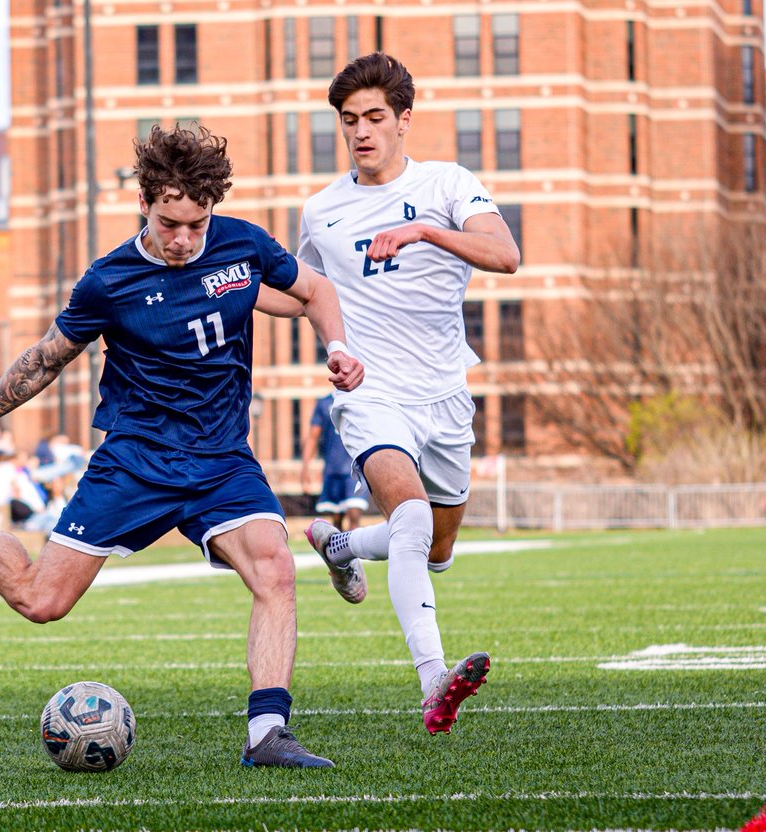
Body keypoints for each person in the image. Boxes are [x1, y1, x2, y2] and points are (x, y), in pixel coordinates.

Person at [0, 125, 363, 768]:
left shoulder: (243, 245)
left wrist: (338, 347)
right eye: (169, 221)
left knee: (275, 568)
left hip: (221, 458)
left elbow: (315, 292)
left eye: (196, 224)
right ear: (145, 204)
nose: (183, 238)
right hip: (136, 460)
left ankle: (266, 734)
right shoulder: (109, 282)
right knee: (42, 602)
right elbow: (43, 361)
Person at [296, 53, 520, 736]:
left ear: (403, 121)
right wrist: (329, 345)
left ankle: (341, 547)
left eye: (373, 118)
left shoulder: (448, 183)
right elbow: (298, 290)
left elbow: (506, 255)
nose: (360, 131)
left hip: (445, 393)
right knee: (414, 520)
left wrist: (424, 230)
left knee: (438, 551)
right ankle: (433, 684)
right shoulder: (321, 210)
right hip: (372, 394)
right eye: (348, 121)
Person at [299, 393, 369, 536]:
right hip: (332, 469)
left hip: (354, 469)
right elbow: (313, 437)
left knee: (354, 516)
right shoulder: (324, 403)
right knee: (336, 522)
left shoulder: (361, 398)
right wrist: (305, 469)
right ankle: (342, 557)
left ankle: (354, 557)